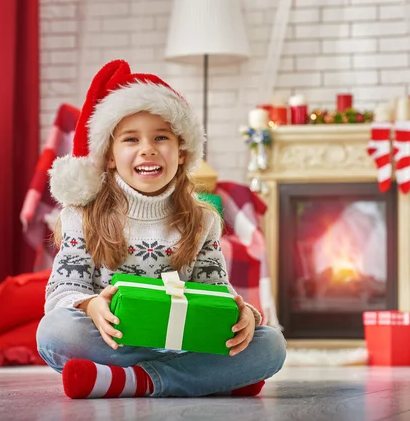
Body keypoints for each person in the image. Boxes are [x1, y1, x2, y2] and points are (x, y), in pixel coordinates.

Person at [36, 60, 286, 399]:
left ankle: (134, 381)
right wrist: (91, 306)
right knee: (54, 331)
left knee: (270, 344)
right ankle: (205, 378)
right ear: (108, 156)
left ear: (182, 152)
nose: (148, 149)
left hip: (184, 342)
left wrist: (241, 314)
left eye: (161, 137)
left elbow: (215, 291)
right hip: (116, 342)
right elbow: (63, 292)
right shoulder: (82, 216)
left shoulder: (203, 221)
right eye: (130, 139)